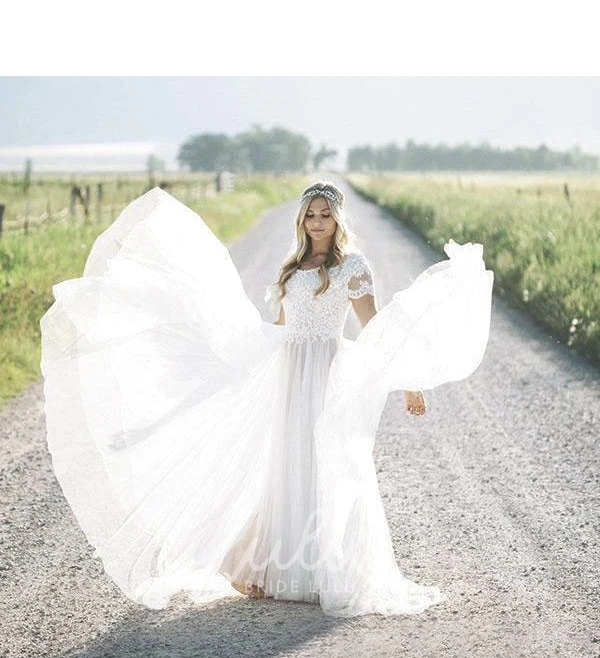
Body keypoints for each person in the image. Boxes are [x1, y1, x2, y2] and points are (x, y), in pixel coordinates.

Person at [40, 180, 494, 619]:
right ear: (301, 220)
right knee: (287, 466)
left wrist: (408, 381)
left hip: (326, 375)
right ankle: (280, 569)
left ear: (338, 219)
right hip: (288, 375)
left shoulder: (352, 267)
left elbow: (372, 328)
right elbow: (277, 332)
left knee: (328, 464)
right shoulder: (292, 269)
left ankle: (327, 571)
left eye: (326, 215)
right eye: (311, 215)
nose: (318, 222)